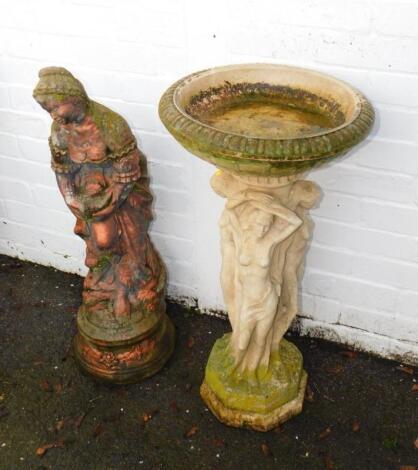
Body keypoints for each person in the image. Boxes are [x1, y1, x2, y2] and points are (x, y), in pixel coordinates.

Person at [33, 67, 164, 320]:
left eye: (55, 108)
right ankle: (106, 284)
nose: (53, 115)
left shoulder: (110, 125)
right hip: (87, 194)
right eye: (47, 110)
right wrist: (75, 202)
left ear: (73, 98)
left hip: (124, 195)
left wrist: (106, 205)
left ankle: (130, 287)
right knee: (99, 242)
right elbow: (62, 172)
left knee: (129, 241)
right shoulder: (60, 131)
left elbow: (126, 176)